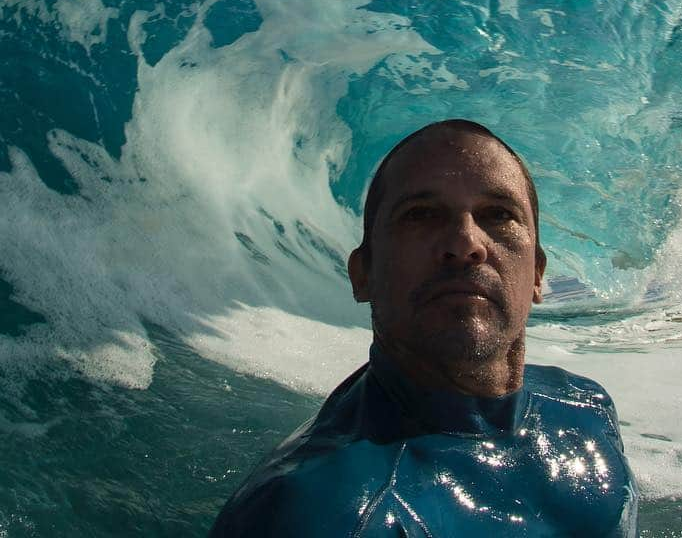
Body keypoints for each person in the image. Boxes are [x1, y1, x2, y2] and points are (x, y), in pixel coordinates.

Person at [210, 119, 639, 536]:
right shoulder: (328, 514)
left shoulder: (588, 408)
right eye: (421, 214)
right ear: (363, 275)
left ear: (538, 275)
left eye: (498, 214)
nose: (465, 244)